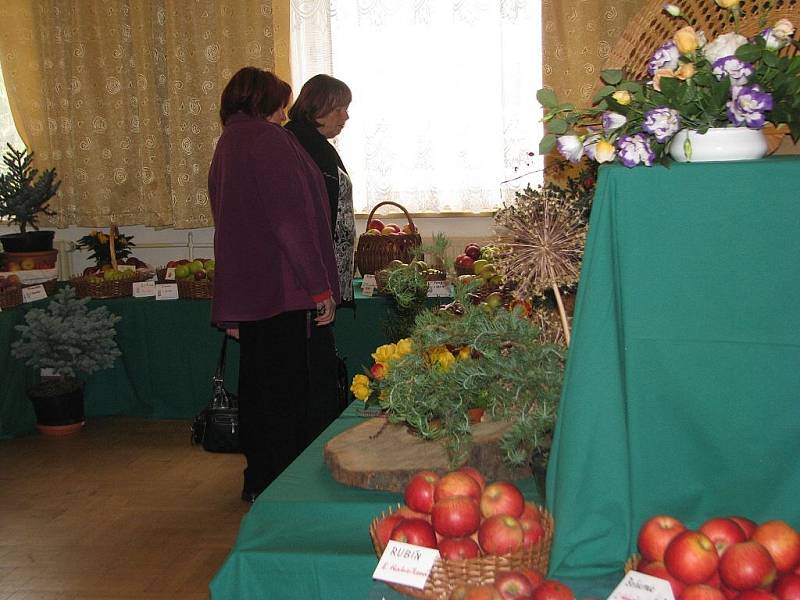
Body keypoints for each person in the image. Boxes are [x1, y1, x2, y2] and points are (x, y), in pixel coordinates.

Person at [208, 67, 340, 504]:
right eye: (280, 104)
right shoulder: (269, 142)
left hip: (250, 288)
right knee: (287, 393)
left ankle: (260, 477)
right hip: (283, 288)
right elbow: (291, 223)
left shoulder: (229, 142)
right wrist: (320, 287)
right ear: (263, 101)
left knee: (258, 389)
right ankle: (285, 484)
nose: (285, 113)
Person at [284, 74, 355, 304]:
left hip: (319, 277)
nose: (346, 116)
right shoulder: (297, 143)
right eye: (339, 109)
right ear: (317, 107)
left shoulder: (315, 143)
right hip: (310, 281)